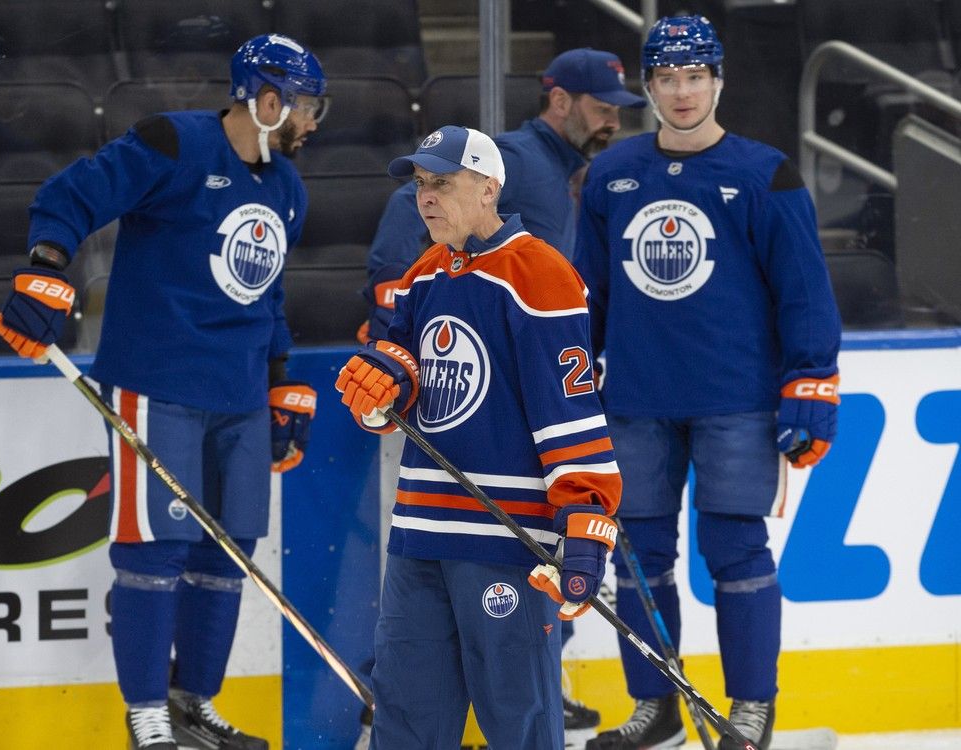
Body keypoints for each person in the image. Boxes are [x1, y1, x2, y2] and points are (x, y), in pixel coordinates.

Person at [0, 33, 328, 750]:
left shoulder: (289, 191)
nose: (312, 123)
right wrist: (48, 266)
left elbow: (267, 300)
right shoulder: (173, 144)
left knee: (226, 554)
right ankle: (147, 717)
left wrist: (282, 385)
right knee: (155, 552)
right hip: (158, 385)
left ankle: (191, 706)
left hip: (238, 398)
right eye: (306, 107)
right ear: (268, 100)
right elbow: (70, 194)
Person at [574, 16, 842, 750]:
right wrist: (570, 383)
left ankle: (752, 705)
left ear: (718, 80)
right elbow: (583, 296)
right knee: (639, 554)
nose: (683, 92)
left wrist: (811, 380)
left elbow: (804, 291)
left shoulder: (764, 174)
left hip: (736, 400)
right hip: (635, 399)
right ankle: (654, 704)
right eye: (667, 78)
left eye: (695, 77)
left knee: (736, 552)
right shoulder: (612, 175)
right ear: (649, 86)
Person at [335, 126, 623, 750]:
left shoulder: (540, 275)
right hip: (420, 535)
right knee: (406, 718)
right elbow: (402, 371)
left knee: (519, 720)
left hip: (509, 539)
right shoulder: (423, 274)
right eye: (420, 185)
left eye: (442, 183)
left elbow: (570, 414)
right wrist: (383, 385)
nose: (426, 198)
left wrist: (585, 520)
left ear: (490, 188)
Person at [360, 47, 647, 344]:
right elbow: (409, 200)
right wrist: (391, 295)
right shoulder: (520, 155)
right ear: (560, 101)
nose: (614, 123)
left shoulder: (566, 168)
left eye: (616, 111)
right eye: (603, 109)